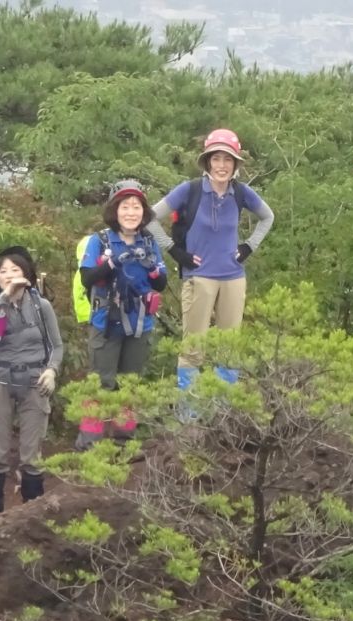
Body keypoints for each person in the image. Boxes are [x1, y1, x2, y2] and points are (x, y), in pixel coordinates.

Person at [147, 129, 274, 390]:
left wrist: (249, 246)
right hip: (199, 276)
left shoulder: (241, 193)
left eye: (228, 160)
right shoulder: (189, 190)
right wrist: (174, 251)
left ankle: (224, 414)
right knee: (194, 348)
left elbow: (268, 217)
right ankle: (189, 414)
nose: (222, 166)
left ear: (235, 164)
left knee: (229, 348)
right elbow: (149, 219)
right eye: (216, 159)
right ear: (207, 162)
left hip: (233, 277)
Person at [75, 180, 167, 450]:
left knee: (130, 384)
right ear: (115, 211)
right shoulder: (100, 241)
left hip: (139, 323)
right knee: (100, 383)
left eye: (136, 207)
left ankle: (123, 441)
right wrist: (113, 262)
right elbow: (87, 279)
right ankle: (89, 444)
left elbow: (160, 284)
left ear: (144, 211)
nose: (130, 212)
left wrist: (152, 269)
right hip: (105, 323)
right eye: (125, 207)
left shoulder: (149, 243)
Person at [0, 246, 64, 517]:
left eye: (15, 270)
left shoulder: (41, 305)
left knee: (31, 455)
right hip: (0, 379)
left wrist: (52, 371)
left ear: (27, 274)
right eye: (3, 271)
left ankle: (32, 515)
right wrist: (4, 297)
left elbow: (56, 345)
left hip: (36, 380)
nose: (9, 275)